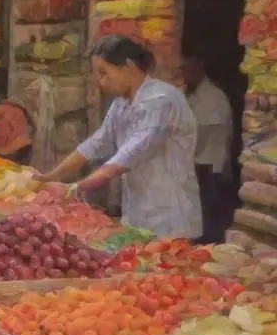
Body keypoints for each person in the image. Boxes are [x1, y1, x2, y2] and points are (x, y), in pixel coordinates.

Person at [40, 34, 201, 239]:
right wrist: (52, 176)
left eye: (104, 73)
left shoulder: (160, 100)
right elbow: (98, 142)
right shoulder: (122, 102)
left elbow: (128, 156)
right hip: (138, 212)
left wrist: (74, 188)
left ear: (128, 66)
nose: (100, 82)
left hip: (170, 216)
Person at [183, 55, 234, 243]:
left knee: (210, 217)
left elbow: (201, 132)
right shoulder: (194, 95)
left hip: (211, 165)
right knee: (201, 214)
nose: (184, 74)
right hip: (201, 164)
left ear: (199, 69)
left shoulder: (213, 97)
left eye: (187, 69)